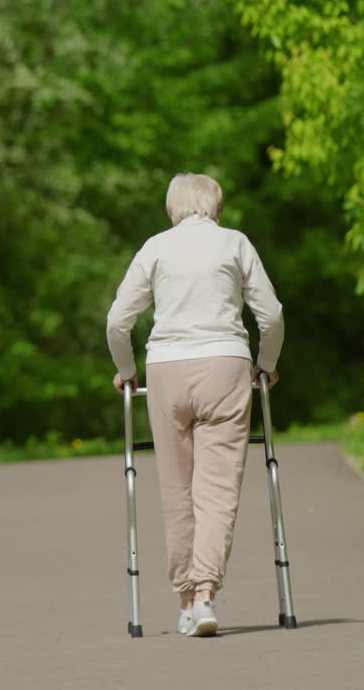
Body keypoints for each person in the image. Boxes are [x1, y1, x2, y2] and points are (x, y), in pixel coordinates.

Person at [105, 173, 283, 638]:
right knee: (217, 490)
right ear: (217, 207)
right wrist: (266, 363)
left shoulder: (156, 247)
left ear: (173, 208)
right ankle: (204, 596)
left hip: (167, 368)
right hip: (226, 364)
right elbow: (272, 314)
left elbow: (118, 320)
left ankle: (187, 600)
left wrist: (126, 371)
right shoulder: (236, 243)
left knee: (176, 488)